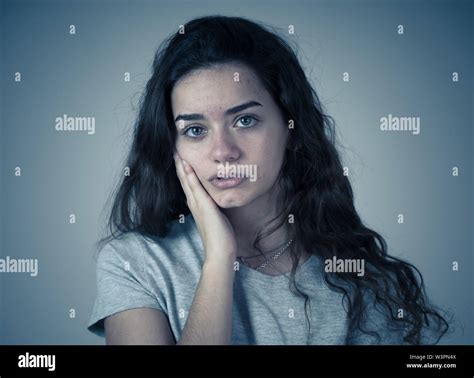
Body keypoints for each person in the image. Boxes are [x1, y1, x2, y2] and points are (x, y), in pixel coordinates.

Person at [87, 15, 449, 345]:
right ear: (172, 144)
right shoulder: (134, 261)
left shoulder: (358, 278)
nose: (223, 151)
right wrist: (218, 259)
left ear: (291, 128)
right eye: (195, 130)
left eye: (245, 120)